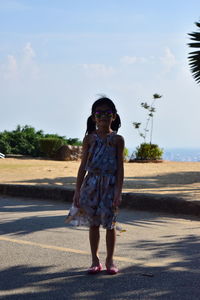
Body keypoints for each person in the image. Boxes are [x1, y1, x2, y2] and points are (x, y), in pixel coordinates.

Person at [73, 96, 124, 275]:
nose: (103, 116)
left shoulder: (118, 140)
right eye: (99, 113)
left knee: (110, 224)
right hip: (91, 185)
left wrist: (118, 191)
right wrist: (77, 190)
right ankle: (95, 260)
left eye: (107, 113)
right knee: (93, 223)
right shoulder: (89, 139)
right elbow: (82, 167)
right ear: (94, 117)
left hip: (110, 185)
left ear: (114, 116)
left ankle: (110, 260)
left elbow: (120, 169)